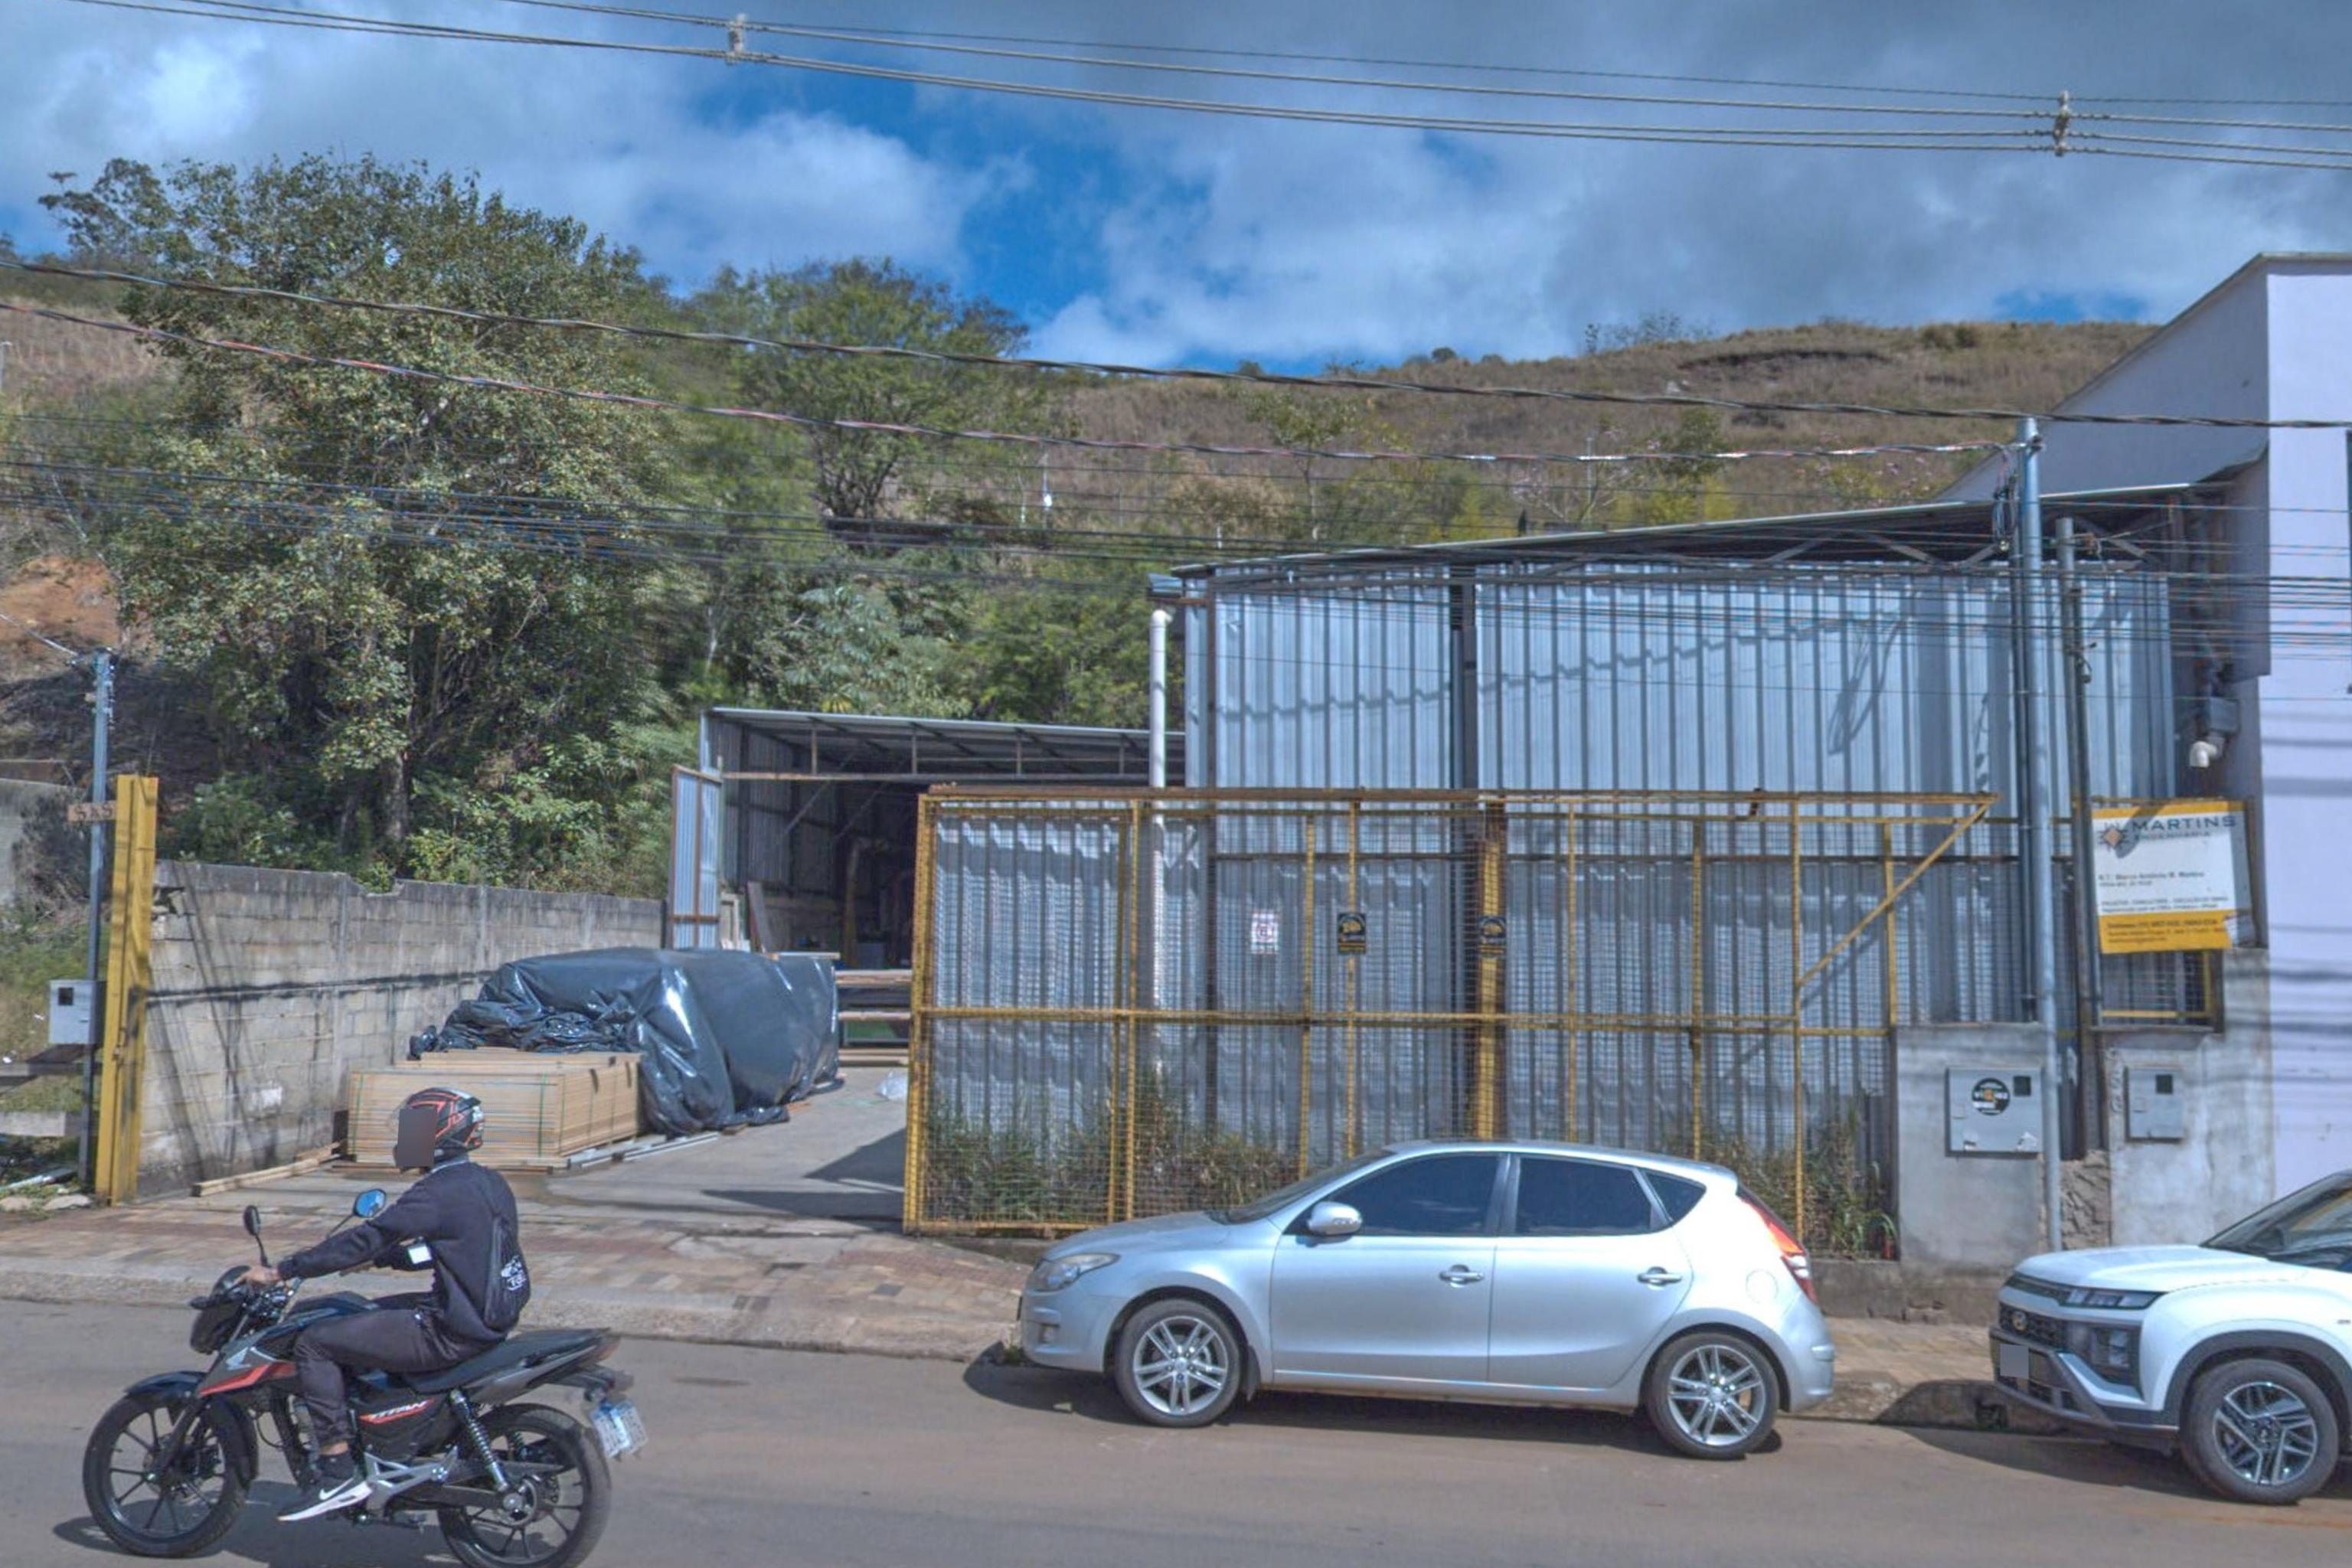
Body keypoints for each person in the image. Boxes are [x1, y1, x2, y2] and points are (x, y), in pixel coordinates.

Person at [240, 1086, 522, 1522]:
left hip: (450, 1329)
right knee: (361, 1311)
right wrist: (387, 1258)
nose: (405, 1139)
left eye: (414, 1129)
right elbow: (450, 1248)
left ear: (443, 1132)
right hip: (485, 1315)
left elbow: (364, 1238)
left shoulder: (436, 1193)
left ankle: (337, 1468)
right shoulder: (488, 1182)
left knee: (315, 1343)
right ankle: (385, 1431)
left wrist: (283, 1270)